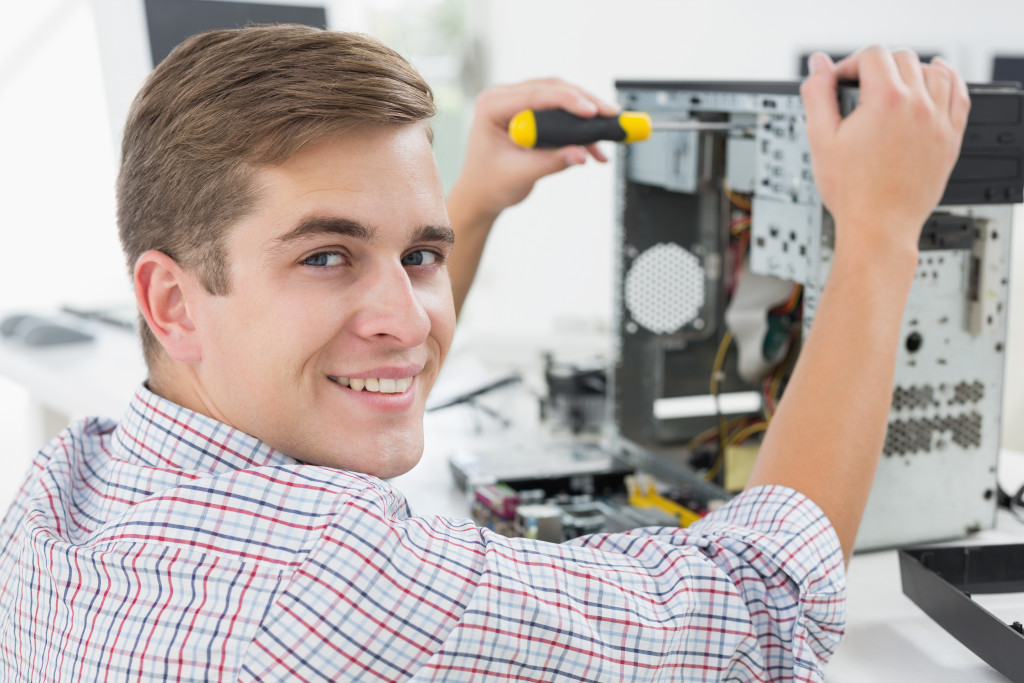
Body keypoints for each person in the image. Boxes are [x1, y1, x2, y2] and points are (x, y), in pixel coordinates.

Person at [0, 24, 967, 682]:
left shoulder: (65, 484)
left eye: (420, 255)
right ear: (172, 300)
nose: (409, 317)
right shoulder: (334, 581)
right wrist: (881, 228)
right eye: (326, 255)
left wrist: (474, 200)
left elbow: (360, 354)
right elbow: (766, 610)